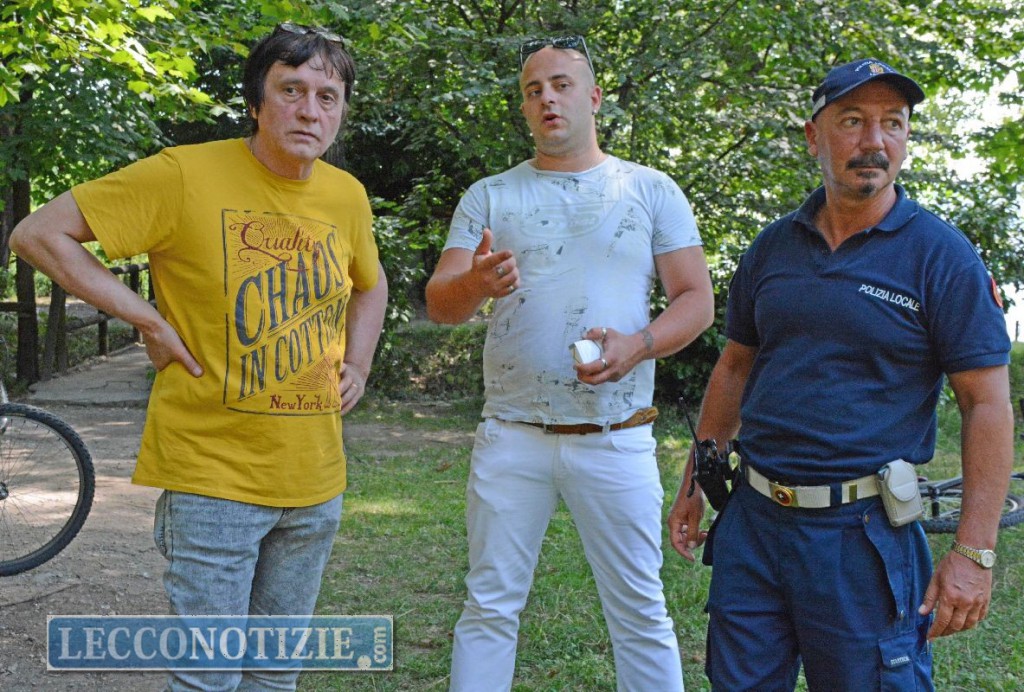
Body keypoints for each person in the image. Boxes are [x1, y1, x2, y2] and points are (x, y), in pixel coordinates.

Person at [10, 23, 387, 690]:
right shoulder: (183, 175)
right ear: (256, 102)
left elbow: (371, 282)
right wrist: (146, 318)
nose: (310, 110)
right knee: (207, 679)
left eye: (327, 96)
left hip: (315, 481)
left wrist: (358, 362)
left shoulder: (345, 195)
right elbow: (39, 234)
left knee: (275, 677)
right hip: (213, 481)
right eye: (291, 90)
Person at [666, 57, 1014, 690]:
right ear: (813, 136)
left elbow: (985, 403)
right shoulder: (772, 248)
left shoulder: (942, 258)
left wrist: (973, 552)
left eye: (892, 123)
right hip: (754, 523)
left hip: (863, 536)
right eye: (852, 121)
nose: (874, 141)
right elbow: (736, 366)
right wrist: (697, 475)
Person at [425, 35, 714, 692]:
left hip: (617, 434)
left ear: (594, 97)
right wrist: (476, 283)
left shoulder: (649, 189)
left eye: (561, 84)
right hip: (512, 434)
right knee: (489, 606)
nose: (548, 99)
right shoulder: (491, 196)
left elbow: (696, 301)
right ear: (525, 107)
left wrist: (638, 344)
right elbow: (442, 302)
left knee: (640, 612)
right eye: (534, 90)